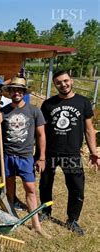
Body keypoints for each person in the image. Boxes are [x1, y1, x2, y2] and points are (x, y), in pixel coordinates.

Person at [39, 70, 100, 235]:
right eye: (58, 82)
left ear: (71, 81)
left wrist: (94, 152)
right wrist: (40, 155)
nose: (63, 84)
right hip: (51, 152)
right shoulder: (48, 104)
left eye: (65, 81)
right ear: (55, 85)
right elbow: (42, 132)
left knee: (76, 188)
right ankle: (45, 211)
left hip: (71, 154)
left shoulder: (83, 102)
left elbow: (89, 129)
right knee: (45, 184)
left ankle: (72, 220)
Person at [0, 77, 48, 236]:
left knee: (30, 189)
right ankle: (12, 217)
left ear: (23, 92)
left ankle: (36, 224)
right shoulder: (3, 111)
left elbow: (41, 135)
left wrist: (41, 157)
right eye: (13, 90)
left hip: (25, 157)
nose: (16, 92)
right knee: (9, 188)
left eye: (19, 90)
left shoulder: (34, 111)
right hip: (7, 156)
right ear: (9, 93)